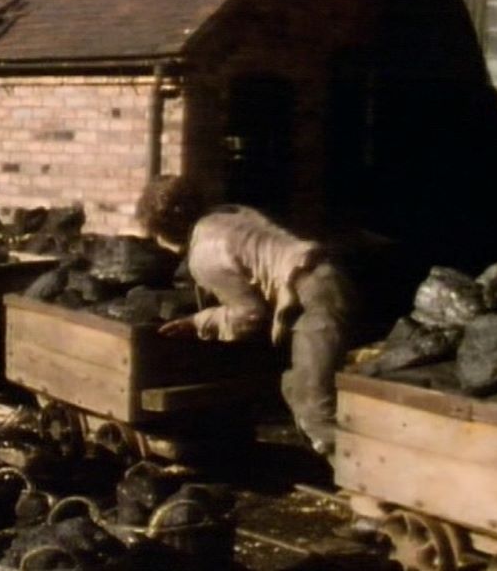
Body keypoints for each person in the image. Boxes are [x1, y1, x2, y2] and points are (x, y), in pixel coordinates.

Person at [136, 175, 353, 456]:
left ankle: (356, 475)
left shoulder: (204, 253)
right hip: (328, 276)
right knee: (293, 385)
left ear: (166, 229)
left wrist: (199, 322)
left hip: (313, 295)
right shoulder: (231, 212)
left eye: (157, 235)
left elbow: (250, 316)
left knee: (315, 408)